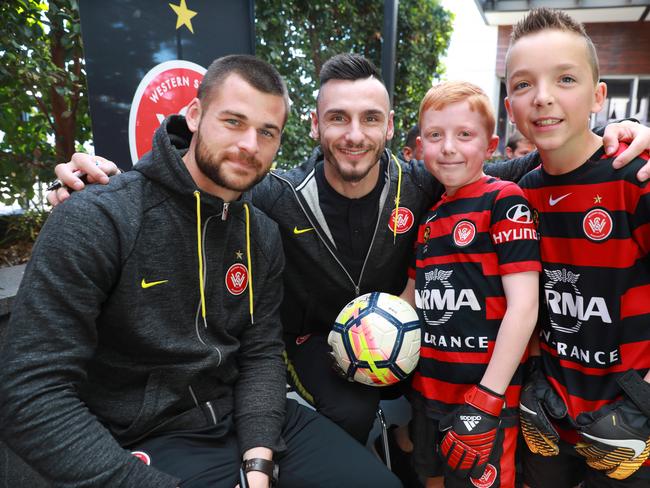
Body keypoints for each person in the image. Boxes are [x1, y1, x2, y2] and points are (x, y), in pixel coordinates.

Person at [47, 54, 650, 448]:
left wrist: (614, 139)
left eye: (370, 119)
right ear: (314, 126)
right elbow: (198, 184)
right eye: (338, 118)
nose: (354, 135)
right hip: (311, 350)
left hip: (413, 347)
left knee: (422, 433)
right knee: (351, 419)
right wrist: (102, 179)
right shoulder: (276, 193)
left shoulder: (422, 181)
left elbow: (527, 166)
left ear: (391, 130)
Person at [0, 54, 401, 488]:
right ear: (194, 115)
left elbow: (261, 353)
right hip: (145, 437)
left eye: (267, 132)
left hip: (247, 420)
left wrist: (259, 462)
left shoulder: (261, 232)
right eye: (233, 121)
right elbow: (29, 394)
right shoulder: (99, 216)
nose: (250, 144)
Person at [504, 8, 650, 488]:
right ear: (509, 106)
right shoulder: (520, 194)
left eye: (565, 78)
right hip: (548, 418)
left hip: (631, 432)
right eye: (523, 84)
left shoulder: (636, 175)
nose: (543, 97)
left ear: (598, 95)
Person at [399, 81, 540, 487]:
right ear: (421, 143)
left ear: (491, 144)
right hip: (429, 394)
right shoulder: (427, 220)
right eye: (435, 135)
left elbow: (524, 307)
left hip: (485, 400)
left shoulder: (505, 201)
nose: (448, 147)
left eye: (464, 135)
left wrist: (488, 397)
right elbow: (411, 298)